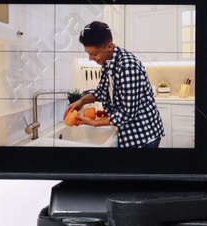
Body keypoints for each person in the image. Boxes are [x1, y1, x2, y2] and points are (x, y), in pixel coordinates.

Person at [67, 20, 164, 149]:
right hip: (129, 134)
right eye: (89, 53)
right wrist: (81, 102)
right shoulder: (107, 62)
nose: (91, 58)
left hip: (143, 137)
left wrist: (94, 123)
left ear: (110, 46)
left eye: (94, 53)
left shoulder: (128, 66)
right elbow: (101, 91)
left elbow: (128, 113)